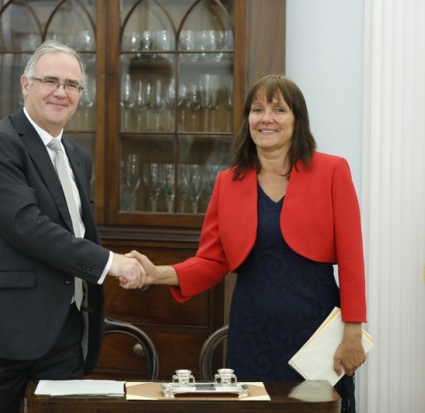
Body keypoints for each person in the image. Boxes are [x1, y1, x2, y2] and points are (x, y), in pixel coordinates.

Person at [127, 74, 367, 412]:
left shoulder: (332, 170)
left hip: (315, 334)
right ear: (248, 120)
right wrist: (157, 273)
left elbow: (352, 257)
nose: (266, 118)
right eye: (257, 109)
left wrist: (353, 331)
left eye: (279, 109)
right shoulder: (227, 182)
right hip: (251, 334)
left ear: (297, 120)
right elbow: (212, 261)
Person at [0, 40, 146, 413]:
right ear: (26, 84)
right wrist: (110, 262)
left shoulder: (77, 157)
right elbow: (27, 227)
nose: (61, 92)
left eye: (71, 85)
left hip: (63, 332)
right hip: (0, 333)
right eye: (50, 81)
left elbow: (76, 233)